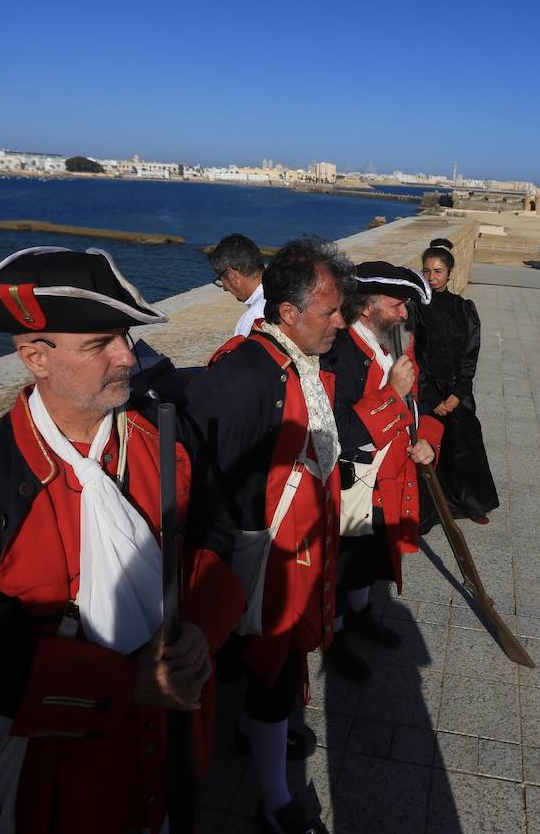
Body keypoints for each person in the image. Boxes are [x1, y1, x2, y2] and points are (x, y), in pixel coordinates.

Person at [0, 246, 244, 834]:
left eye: (124, 336)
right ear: (35, 357)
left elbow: (215, 531)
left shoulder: (166, 437)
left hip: (177, 731)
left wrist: (202, 628)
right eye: (100, 344)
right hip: (63, 759)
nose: (127, 355)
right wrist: (131, 683)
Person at [182, 238, 352, 834]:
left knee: (274, 674)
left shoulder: (294, 362)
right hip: (259, 567)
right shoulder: (242, 378)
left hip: (295, 558)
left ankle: (262, 736)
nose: (341, 322)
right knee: (267, 672)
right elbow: (208, 491)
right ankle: (276, 800)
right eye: (330, 311)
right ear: (287, 313)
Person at [320, 262, 442, 682]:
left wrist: (427, 438)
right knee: (340, 559)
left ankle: (359, 615)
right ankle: (332, 635)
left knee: (368, 557)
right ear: (368, 308)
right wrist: (392, 393)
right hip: (352, 481)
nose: (405, 313)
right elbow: (339, 430)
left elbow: (418, 404)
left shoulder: (396, 341)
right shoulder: (338, 353)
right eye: (398, 304)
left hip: (392, 476)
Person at [414, 241, 500, 523]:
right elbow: (415, 356)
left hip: (457, 391)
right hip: (427, 390)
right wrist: (432, 397)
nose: (431, 277)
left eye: (437, 271)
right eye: (426, 271)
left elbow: (470, 353)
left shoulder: (464, 308)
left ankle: (470, 505)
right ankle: (428, 510)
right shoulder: (414, 309)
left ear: (450, 273)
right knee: (429, 447)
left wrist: (458, 392)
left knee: (464, 446)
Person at [207, 232, 267, 337]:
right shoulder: (290, 292)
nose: (224, 288)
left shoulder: (253, 319)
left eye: (221, 279)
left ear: (232, 275)